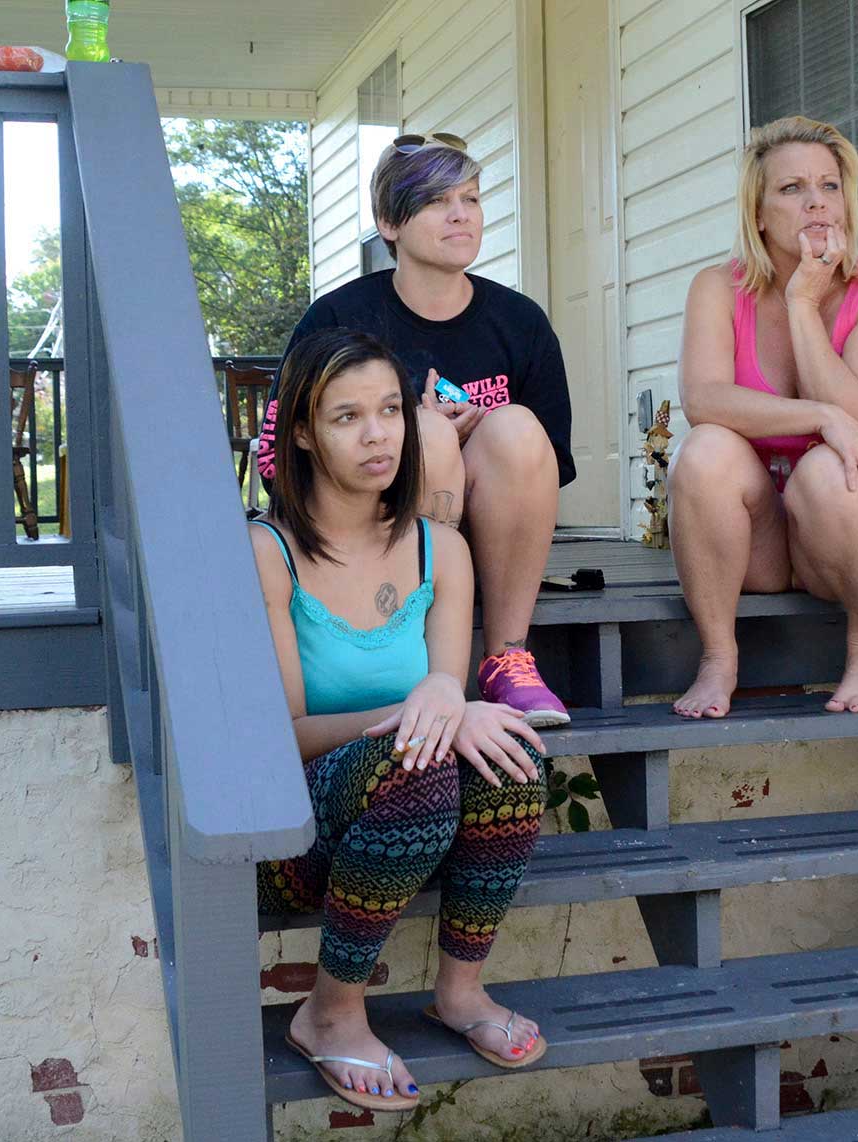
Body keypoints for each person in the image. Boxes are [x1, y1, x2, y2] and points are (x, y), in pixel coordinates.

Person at [251, 329, 550, 1115]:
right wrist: (420, 711)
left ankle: (460, 991)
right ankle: (329, 1012)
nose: (378, 432)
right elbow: (284, 733)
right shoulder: (268, 551)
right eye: (347, 416)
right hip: (305, 831)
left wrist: (450, 705)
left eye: (390, 409)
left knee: (512, 756)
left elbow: (447, 688)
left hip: (414, 806)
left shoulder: (440, 549)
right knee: (422, 757)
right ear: (305, 434)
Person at [257, 131, 574, 727]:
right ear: (389, 222)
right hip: (371, 549)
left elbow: (549, 463)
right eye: (435, 201)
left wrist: (474, 436)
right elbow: (281, 456)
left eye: (472, 199)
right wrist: (422, 431)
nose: (460, 214)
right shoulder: (339, 317)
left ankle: (507, 657)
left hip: (492, 534)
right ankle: (420, 645)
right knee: (424, 432)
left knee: (517, 429)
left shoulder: (519, 321)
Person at [669, 116, 858, 720]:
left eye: (829, 186)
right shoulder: (717, 287)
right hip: (766, 536)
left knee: (826, 467)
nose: (816, 201)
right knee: (705, 447)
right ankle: (718, 657)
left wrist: (803, 303)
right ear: (758, 212)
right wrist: (818, 415)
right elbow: (703, 399)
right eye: (791, 189)